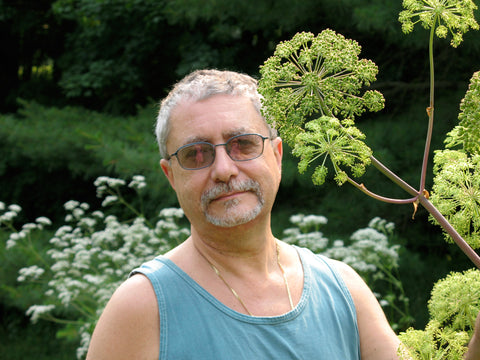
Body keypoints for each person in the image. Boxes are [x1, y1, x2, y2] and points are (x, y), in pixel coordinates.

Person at [86, 69, 479, 360]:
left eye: (242, 144)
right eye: (196, 154)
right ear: (171, 176)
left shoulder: (342, 289)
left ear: (277, 155)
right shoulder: (143, 308)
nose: (223, 169)